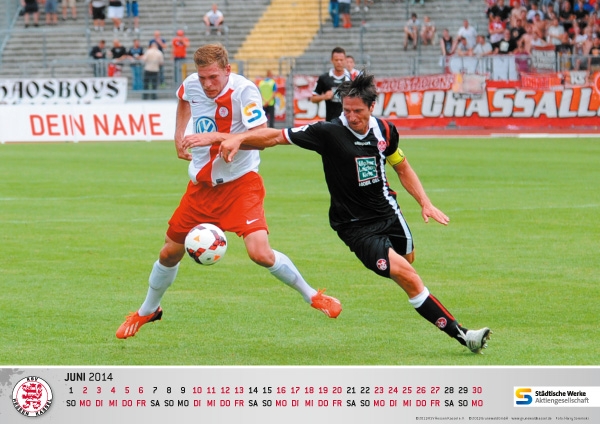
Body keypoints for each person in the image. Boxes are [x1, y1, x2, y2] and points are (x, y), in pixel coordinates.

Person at [185, 72, 492, 354]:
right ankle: (464, 335)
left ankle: (403, 278)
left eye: (358, 111)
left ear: (372, 107)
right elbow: (276, 137)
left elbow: (401, 166)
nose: (351, 116)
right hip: (355, 227)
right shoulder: (328, 132)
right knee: (409, 277)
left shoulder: (385, 130)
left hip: (389, 212)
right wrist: (234, 137)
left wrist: (425, 202)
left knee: (407, 262)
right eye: (347, 110)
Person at [116, 43, 341, 339]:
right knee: (169, 253)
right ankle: (148, 310)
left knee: (260, 253)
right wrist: (178, 135)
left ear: (227, 70)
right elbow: (184, 99)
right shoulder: (193, 84)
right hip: (201, 188)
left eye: (213, 77)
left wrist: (221, 137)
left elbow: (264, 137)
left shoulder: (244, 91)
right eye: (203, 77)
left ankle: (312, 295)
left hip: (240, 184)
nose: (207, 84)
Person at [310, 46, 351, 122]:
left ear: (345, 60)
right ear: (331, 60)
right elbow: (313, 98)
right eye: (336, 60)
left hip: (349, 122)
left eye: (341, 60)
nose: (339, 62)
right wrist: (324, 96)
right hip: (331, 121)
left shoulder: (352, 78)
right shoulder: (324, 78)